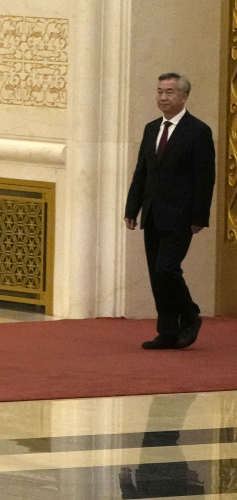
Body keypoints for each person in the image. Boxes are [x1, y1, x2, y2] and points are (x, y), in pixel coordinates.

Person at [124, 72, 215, 350]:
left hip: (181, 216)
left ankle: (189, 314)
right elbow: (142, 171)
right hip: (152, 212)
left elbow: (205, 177)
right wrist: (132, 208)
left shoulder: (198, 131)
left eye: (170, 92)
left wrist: (199, 216)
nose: (163, 97)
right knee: (155, 273)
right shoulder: (152, 128)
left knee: (167, 269)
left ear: (184, 96)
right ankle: (167, 332)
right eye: (160, 91)